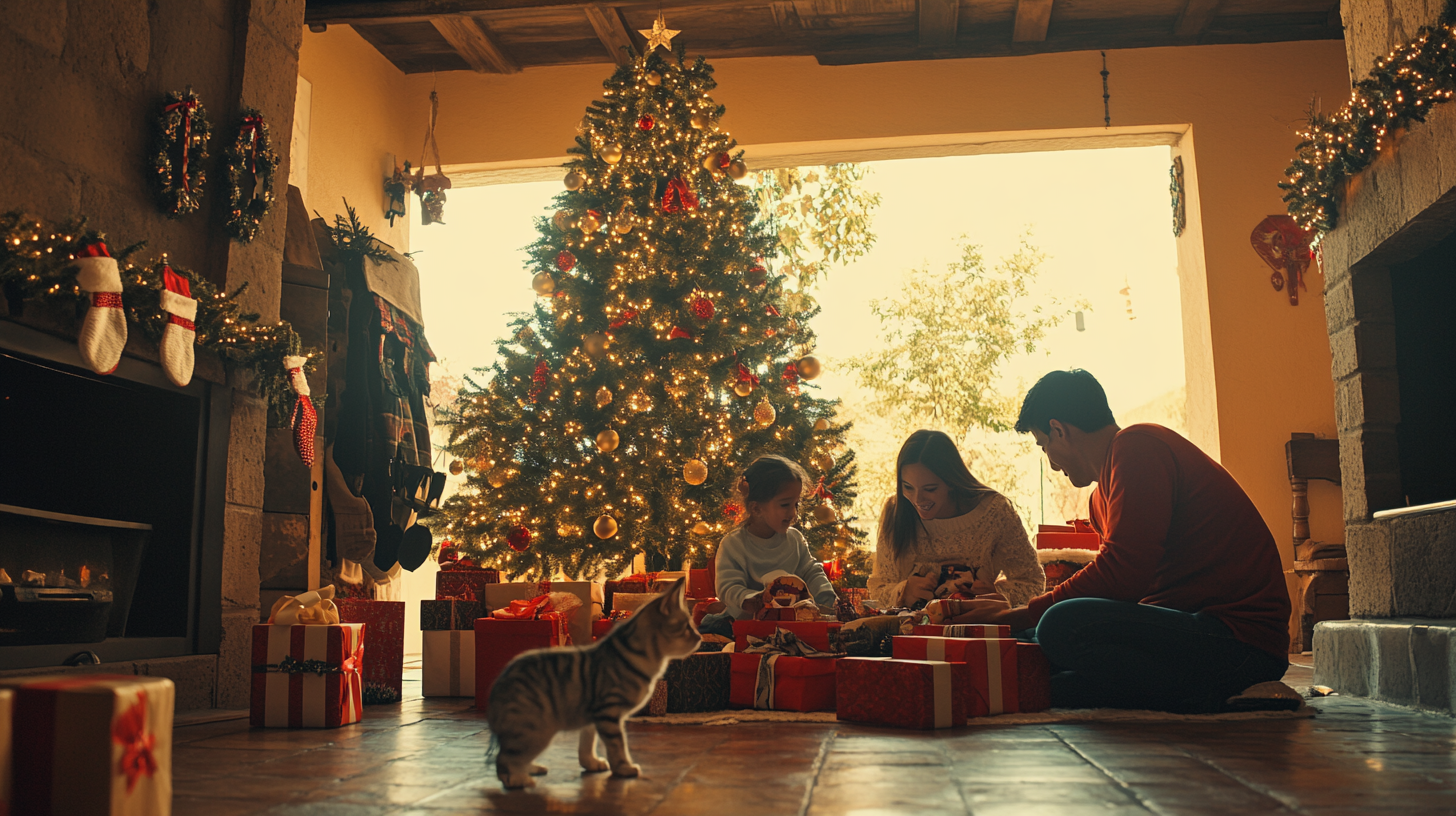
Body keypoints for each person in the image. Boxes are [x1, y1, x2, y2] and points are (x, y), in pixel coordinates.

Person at [954, 369, 1291, 713]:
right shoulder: (1100, 499)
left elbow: (1123, 575)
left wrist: (1021, 615)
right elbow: (1124, 593)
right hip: (1183, 632)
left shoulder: (1139, 446)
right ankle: (1135, 691)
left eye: (1044, 446)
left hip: (1238, 641)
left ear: (1059, 430)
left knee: (1060, 624)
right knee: (1031, 647)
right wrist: (1021, 624)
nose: (1052, 465)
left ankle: (1197, 693)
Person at [868, 430, 1044, 610]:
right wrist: (903, 592)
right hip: (908, 631)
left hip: (978, 630)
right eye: (908, 487)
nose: (917, 499)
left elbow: (1033, 584)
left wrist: (995, 595)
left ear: (951, 482)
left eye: (930, 488)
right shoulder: (895, 510)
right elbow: (878, 590)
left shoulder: (994, 511)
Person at [698, 455, 838, 638]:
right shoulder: (734, 544)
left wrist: (827, 599)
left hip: (790, 626)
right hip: (743, 626)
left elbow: (812, 572)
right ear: (756, 509)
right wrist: (750, 599)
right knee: (715, 632)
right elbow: (727, 586)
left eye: (796, 504)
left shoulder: (795, 540)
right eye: (785, 504)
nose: (793, 513)